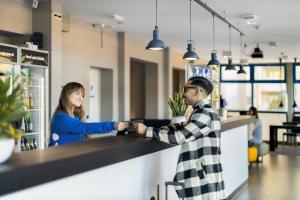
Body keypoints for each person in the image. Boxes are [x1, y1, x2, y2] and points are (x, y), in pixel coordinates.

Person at [136, 76, 225, 200]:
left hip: (200, 176)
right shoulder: (204, 111)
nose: (183, 94)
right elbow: (187, 126)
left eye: (186, 89)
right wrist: (168, 128)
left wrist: (147, 131)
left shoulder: (203, 113)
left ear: (198, 91)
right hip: (204, 173)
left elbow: (179, 137)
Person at [48, 82, 128, 146]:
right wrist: (112, 125)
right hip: (59, 159)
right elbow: (85, 127)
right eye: (77, 93)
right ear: (67, 94)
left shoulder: (74, 116)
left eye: (82, 95)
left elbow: (79, 135)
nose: (81, 98)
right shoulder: (61, 117)